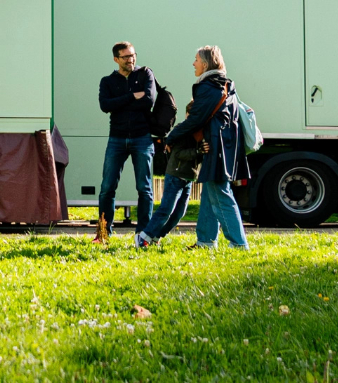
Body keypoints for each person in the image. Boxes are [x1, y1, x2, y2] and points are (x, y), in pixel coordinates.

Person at [163, 45, 250, 250]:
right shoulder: (224, 84)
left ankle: (239, 244)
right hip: (224, 147)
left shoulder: (208, 86)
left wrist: (171, 137)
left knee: (220, 194)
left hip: (216, 148)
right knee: (210, 195)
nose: (193, 63)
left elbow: (196, 119)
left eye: (196, 59)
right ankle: (205, 241)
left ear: (205, 63)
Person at [94, 42, 157, 242]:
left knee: (144, 188)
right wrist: (131, 96)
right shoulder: (107, 81)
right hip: (117, 138)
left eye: (133, 55)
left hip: (142, 137)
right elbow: (105, 105)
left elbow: (148, 100)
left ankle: (143, 234)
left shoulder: (145, 74)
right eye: (126, 57)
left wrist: (119, 102)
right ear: (116, 59)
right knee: (107, 188)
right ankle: (103, 233)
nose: (131, 59)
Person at [135, 101, 202, 247]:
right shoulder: (182, 130)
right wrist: (198, 152)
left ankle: (156, 237)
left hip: (188, 177)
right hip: (176, 176)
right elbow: (178, 154)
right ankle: (144, 237)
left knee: (179, 213)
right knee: (166, 210)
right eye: (191, 115)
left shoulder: (198, 131)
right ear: (187, 114)